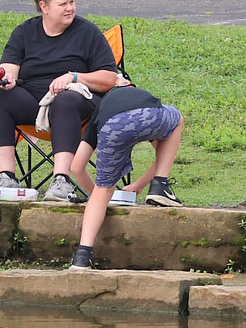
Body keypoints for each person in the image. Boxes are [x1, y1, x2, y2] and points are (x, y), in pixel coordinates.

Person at [0, 0, 120, 201]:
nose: (70, 8)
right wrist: (7, 79)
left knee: (65, 99)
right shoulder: (25, 32)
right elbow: (9, 67)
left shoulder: (87, 32)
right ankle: (7, 177)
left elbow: (109, 78)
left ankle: (61, 180)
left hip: (78, 104)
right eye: (63, 4)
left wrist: (74, 77)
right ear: (44, 7)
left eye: (72, 2)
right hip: (34, 103)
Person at [66, 82, 184, 269]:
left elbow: (77, 166)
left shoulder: (102, 109)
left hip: (112, 127)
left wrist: (97, 196)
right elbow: (163, 154)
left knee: (102, 191)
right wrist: (139, 185)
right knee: (176, 118)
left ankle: (82, 255)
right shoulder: (141, 95)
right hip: (150, 115)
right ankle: (160, 184)